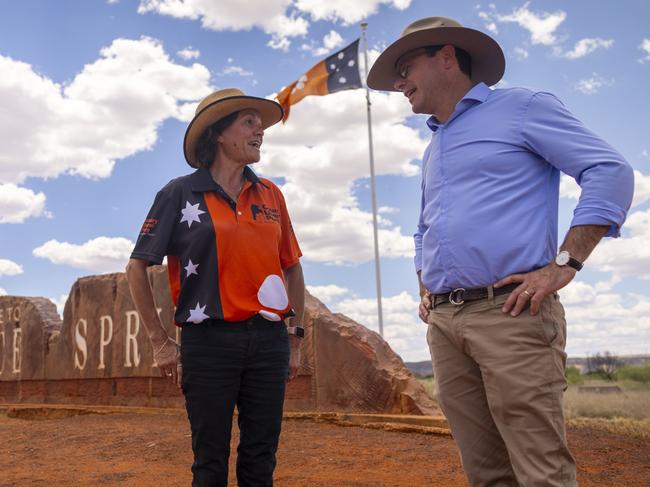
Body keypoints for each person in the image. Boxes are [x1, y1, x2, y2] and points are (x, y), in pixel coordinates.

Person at [367, 17, 634, 487]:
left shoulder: (523, 108)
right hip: (446, 325)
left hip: (511, 314)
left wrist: (564, 265)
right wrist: (425, 282)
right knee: (486, 473)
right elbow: (424, 226)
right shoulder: (435, 143)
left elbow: (609, 170)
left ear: (447, 57)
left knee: (540, 471)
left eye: (406, 67)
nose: (398, 83)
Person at [125, 88, 305, 487]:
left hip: (269, 342)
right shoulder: (179, 193)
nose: (260, 130)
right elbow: (137, 267)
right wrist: (160, 342)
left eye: (260, 124)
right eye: (249, 122)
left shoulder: (271, 194)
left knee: (261, 459)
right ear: (219, 134)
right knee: (209, 462)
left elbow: (292, 268)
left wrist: (294, 338)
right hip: (208, 343)